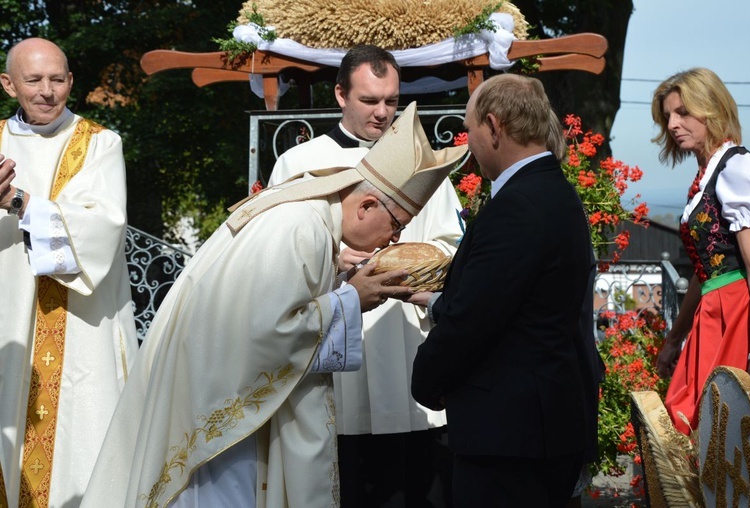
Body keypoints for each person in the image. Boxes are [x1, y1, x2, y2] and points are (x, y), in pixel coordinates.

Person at [80, 102, 467, 508]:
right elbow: (266, 331)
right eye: (396, 225)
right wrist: (353, 298)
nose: (393, 239)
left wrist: (341, 287)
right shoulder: (301, 227)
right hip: (224, 428)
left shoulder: (310, 217)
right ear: (367, 205)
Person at [269, 44, 463, 507]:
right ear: (340, 95)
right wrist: (341, 258)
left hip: (402, 343)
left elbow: (452, 246)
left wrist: (401, 262)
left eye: (391, 101)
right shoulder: (300, 164)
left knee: (414, 486)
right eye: (369, 100)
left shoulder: (424, 164)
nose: (382, 112)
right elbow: (275, 251)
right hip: (332, 335)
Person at [410, 73, 594, 508]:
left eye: (470, 131)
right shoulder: (553, 192)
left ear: (493, 127)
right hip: (539, 425)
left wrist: (426, 380)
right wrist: (437, 302)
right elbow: (519, 305)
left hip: (512, 438)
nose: (468, 144)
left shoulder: (517, 206)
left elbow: (475, 321)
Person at [0, 38, 138, 506]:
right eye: (33, 80)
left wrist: (18, 202)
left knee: (81, 444)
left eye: (57, 80)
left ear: (70, 82)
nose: (46, 92)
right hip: (6, 321)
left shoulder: (99, 143)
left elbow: (103, 229)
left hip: (79, 328)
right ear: (8, 84)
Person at [652, 67, 750, 435]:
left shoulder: (738, 169)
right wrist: (675, 339)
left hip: (736, 316)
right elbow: (706, 274)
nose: (672, 124)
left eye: (682, 112)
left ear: (711, 109)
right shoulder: (708, 175)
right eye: (668, 115)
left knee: (726, 441)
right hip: (712, 314)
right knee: (698, 430)